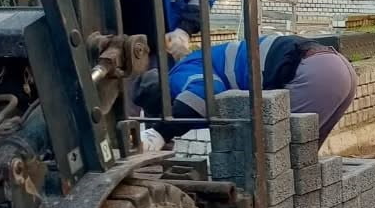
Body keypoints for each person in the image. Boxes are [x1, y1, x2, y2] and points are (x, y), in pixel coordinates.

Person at [134, 34, 357, 147]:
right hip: (335, 66)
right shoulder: (206, 59)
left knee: (269, 158)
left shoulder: (180, 74)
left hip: (313, 72)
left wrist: (162, 132)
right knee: (299, 165)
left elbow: (206, 92)